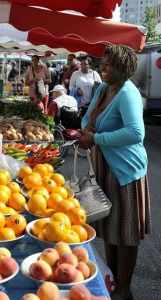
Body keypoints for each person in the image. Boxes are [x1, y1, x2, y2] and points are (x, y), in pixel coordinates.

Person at [76, 44, 151, 300]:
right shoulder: (102, 88)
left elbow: (135, 133)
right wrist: (86, 130)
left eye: (108, 62)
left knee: (126, 234)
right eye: (102, 62)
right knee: (109, 227)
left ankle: (124, 289)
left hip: (126, 171)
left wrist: (97, 139)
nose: (102, 66)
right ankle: (112, 278)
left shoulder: (127, 92)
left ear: (123, 66)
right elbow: (88, 117)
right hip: (104, 168)